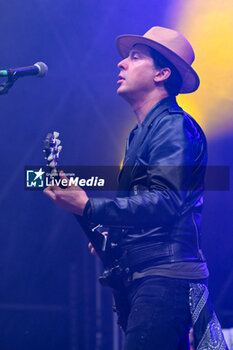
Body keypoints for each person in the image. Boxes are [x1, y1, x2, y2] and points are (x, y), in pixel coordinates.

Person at [44, 27, 228, 350]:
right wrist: (117, 236)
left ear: (162, 73)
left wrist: (89, 206)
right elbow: (147, 206)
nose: (121, 64)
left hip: (166, 278)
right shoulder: (138, 134)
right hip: (147, 277)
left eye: (135, 57)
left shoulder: (172, 125)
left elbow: (165, 202)